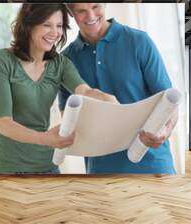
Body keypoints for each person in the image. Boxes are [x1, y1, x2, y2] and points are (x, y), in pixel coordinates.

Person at [0, 4, 117, 174]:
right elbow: (4, 125)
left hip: (48, 167)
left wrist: (106, 98)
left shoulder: (60, 64)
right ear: (29, 24)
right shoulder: (1, 60)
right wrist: (46, 139)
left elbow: (84, 91)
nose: (55, 32)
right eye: (47, 25)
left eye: (59, 25)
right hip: (9, 168)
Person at [59, 3, 178, 174]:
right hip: (101, 171)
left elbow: (170, 103)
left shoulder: (139, 41)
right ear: (70, 13)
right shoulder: (66, 61)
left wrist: (165, 131)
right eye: (81, 11)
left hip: (153, 164)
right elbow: (68, 117)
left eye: (95, 6)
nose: (91, 16)